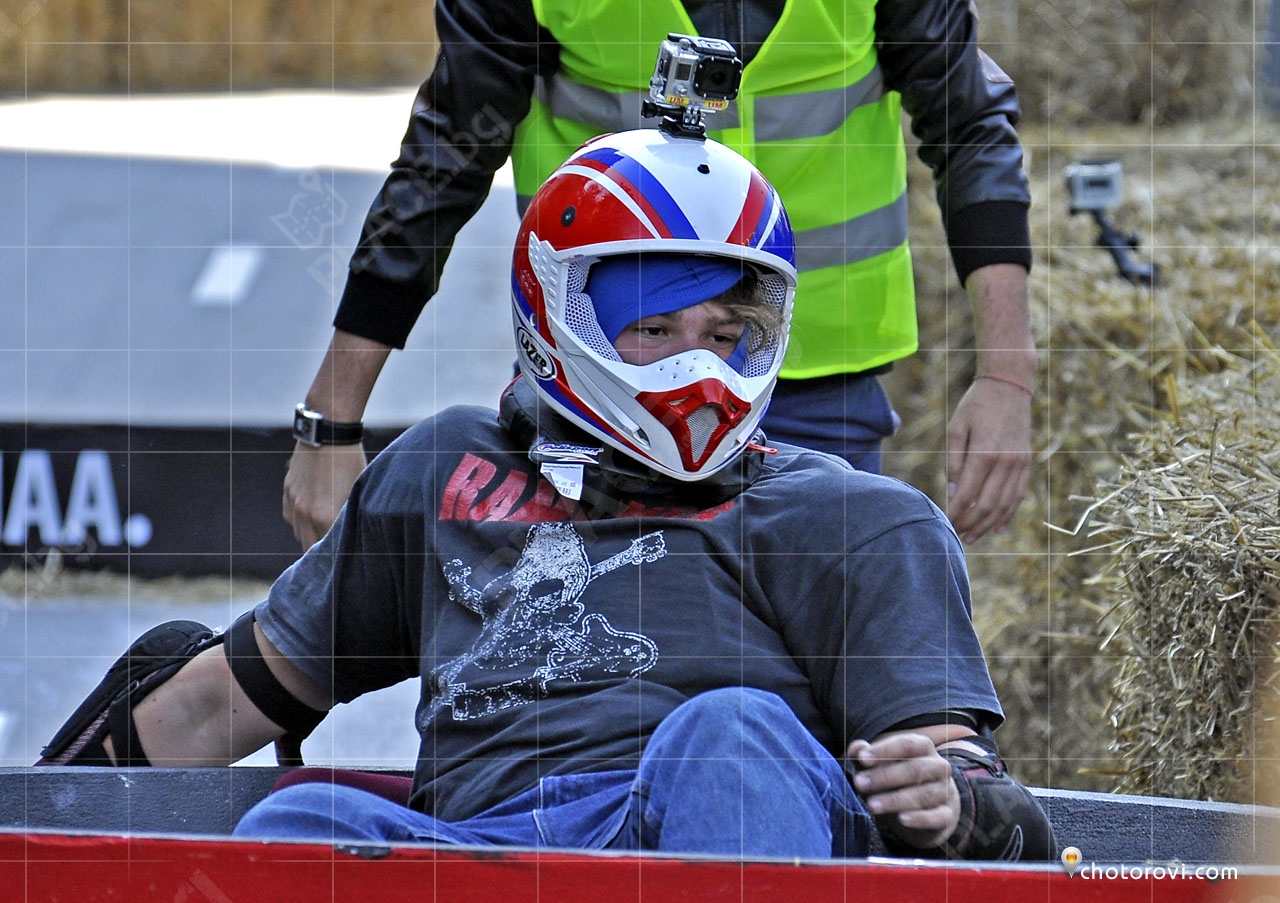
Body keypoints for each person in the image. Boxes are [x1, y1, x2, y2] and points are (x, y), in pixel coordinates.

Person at [40, 130, 1053, 862]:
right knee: (296, 827)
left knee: (729, 732)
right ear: (558, 320)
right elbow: (222, 701)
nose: (696, 365)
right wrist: (43, 815)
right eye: (653, 330)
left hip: (696, 842)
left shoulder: (855, 519)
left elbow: (994, 805)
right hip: (481, 851)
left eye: (723, 333)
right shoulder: (441, 469)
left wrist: (954, 804)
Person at [284, 0, 1036, 550]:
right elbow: (444, 160)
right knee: (571, 664)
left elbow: (969, 128)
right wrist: (331, 423)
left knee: (817, 674)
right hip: (595, 391)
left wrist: (1008, 376)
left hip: (811, 392)